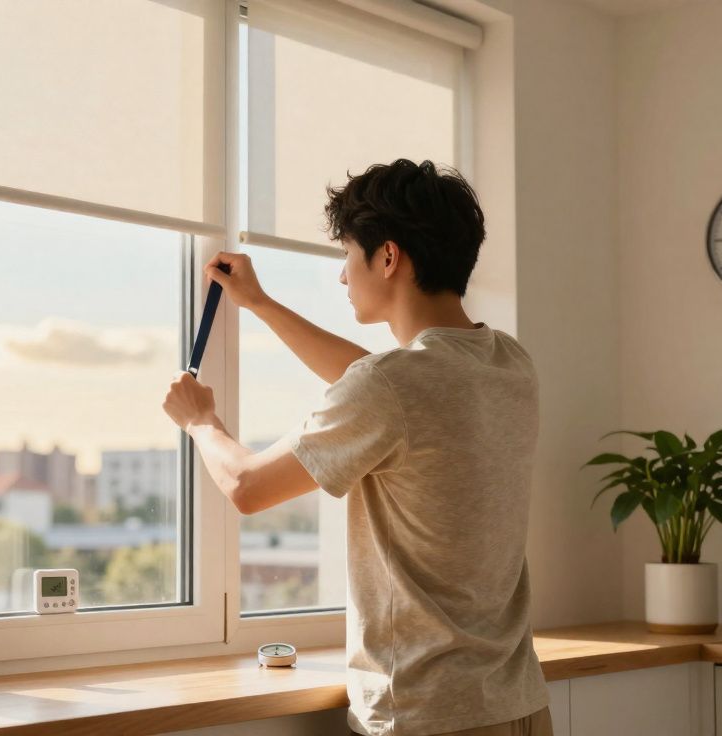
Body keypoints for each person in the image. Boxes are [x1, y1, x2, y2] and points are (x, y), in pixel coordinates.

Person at [161, 159, 551, 736]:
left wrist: (201, 422)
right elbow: (379, 384)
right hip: (517, 704)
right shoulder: (508, 362)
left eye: (347, 254)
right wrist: (260, 304)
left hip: (428, 714)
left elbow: (247, 487)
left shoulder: (392, 387)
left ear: (388, 257)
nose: (343, 277)